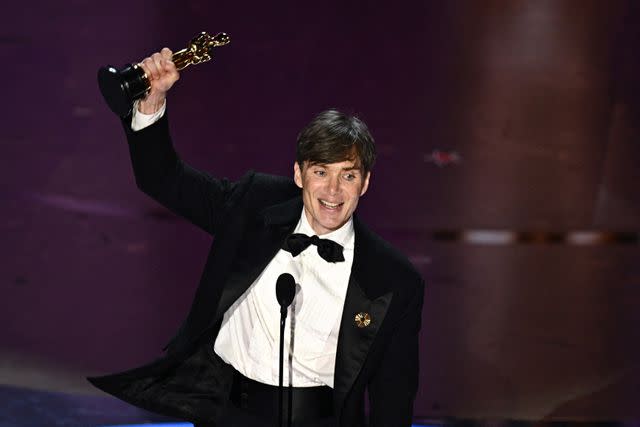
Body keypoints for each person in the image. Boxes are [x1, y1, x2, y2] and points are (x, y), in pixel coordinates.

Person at [89, 48, 425, 427]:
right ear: (299, 175)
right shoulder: (253, 206)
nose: (333, 191)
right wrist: (152, 103)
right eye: (320, 172)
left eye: (347, 175)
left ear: (364, 183)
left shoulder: (395, 279)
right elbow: (163, 180)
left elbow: (392, 400)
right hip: (225, 414)